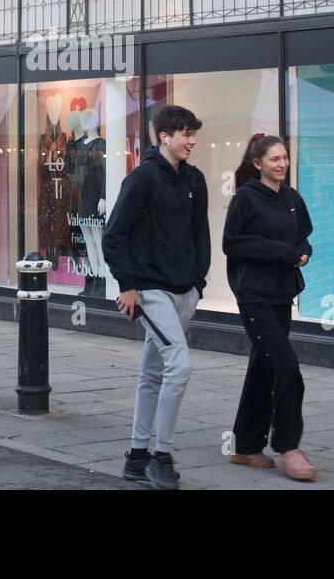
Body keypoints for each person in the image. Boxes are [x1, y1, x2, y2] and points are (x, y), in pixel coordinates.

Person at [102, 105, 210, 491]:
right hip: (149, 290)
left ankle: (136, 456)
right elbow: (113, 235)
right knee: (178, 367)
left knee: (152, 371)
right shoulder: (142, 178)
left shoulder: (195, 179)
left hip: (186, 291)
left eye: (193, 133)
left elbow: (201, 234)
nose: (192, 140)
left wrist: (198, 283)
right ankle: (161, 456)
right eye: (185, 134)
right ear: (165, 136)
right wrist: (128, 285)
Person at [222, 134, 317, 482]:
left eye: (285, 158)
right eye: (274, 159)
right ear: (258, 163)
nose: (282, 164)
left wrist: (303, 250)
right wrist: (282, 252)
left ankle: (245, 445)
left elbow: (302, 233)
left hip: (282, 293)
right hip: (253, 295)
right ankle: (289, 446)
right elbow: (231, 243)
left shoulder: (292, 198)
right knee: (286, 366)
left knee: (264, 367)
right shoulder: (246, 198)